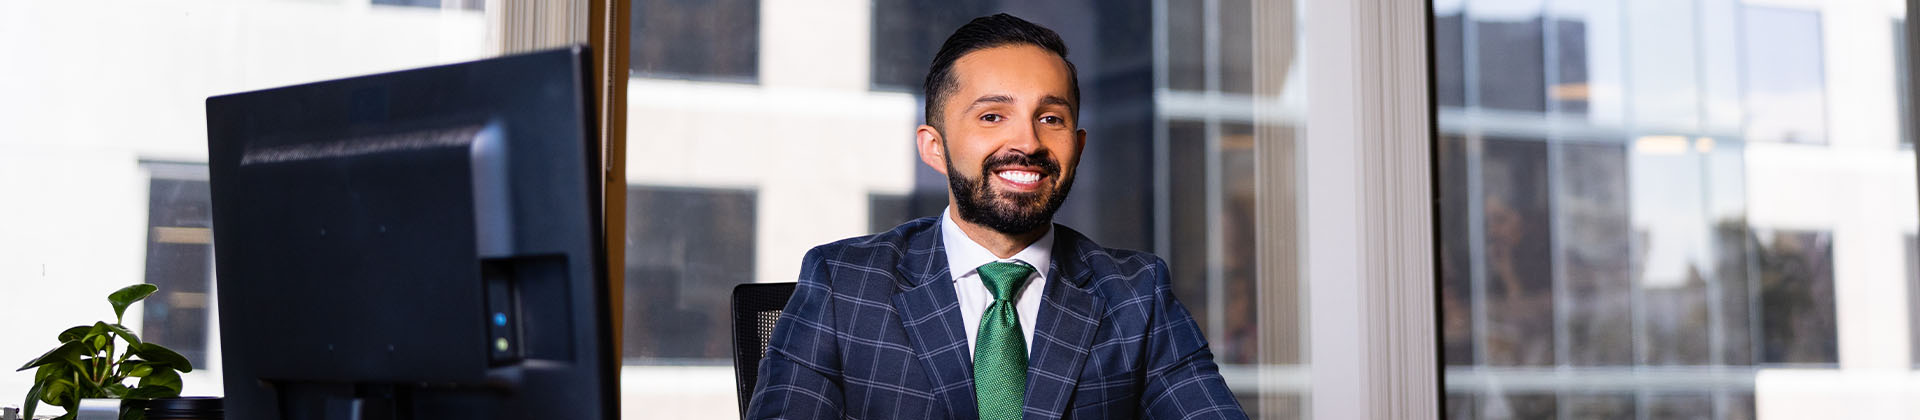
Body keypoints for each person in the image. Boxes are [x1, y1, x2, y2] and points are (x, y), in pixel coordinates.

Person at [746, 13, 1246, 420]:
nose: (1028, 143)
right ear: (935, 147)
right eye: (992, 116)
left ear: (1078, 145)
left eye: (1051, 118)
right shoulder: (844, 284)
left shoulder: (1137, 294)